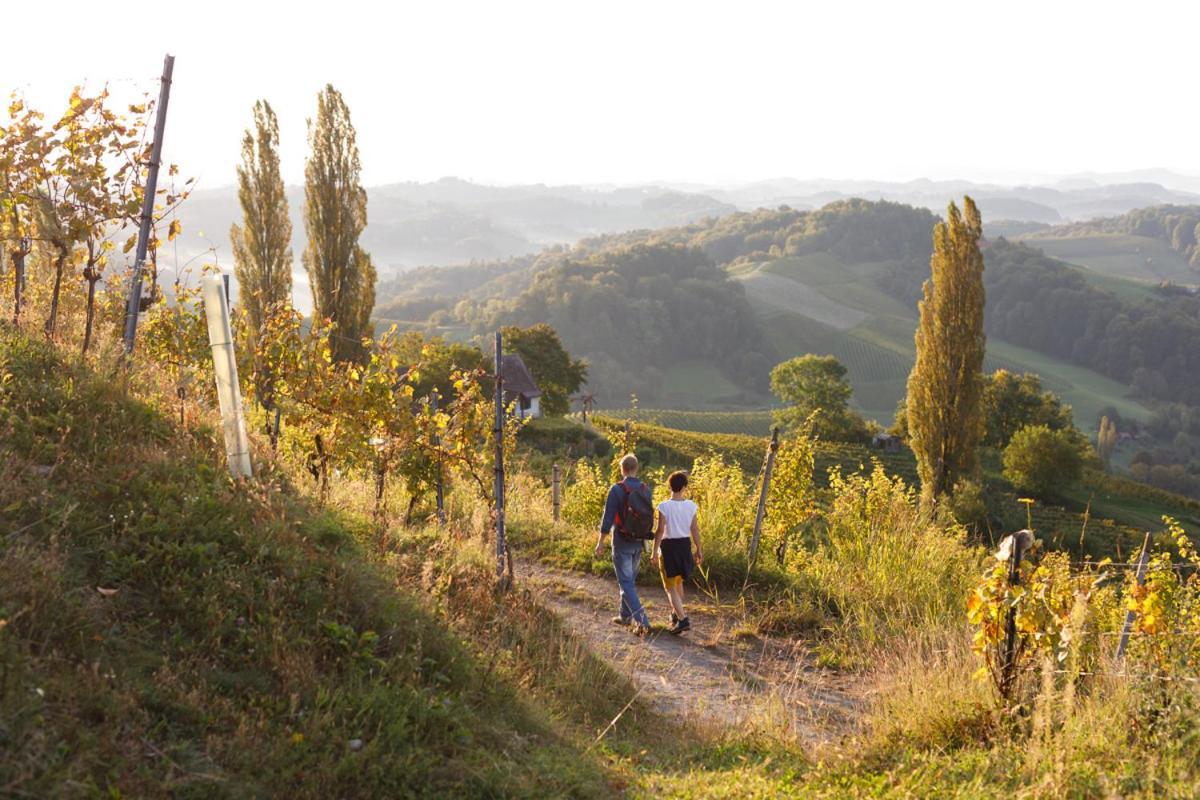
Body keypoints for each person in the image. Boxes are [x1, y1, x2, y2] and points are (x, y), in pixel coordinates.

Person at [594, 453, 652, 635]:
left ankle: (642, 621)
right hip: (639, 542)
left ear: (622, 469)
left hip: (621, 542)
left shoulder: (617, 489)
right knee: (629, 580)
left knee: (626, 581)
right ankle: (624, 616)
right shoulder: (645, 489)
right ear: (636, 469)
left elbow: (608, 517)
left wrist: (600, 542)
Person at [650, 470, 702, 635]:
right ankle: (675, 613)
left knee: (670, 587)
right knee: (678, 582)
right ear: (685, 487)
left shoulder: (664, 506)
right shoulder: (691, 506)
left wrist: (653, 552)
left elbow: (659, 531)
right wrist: (698, 548)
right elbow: (694, 528)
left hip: (668, 547)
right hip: (684, 546)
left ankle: (682, 619)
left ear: (669, 486)